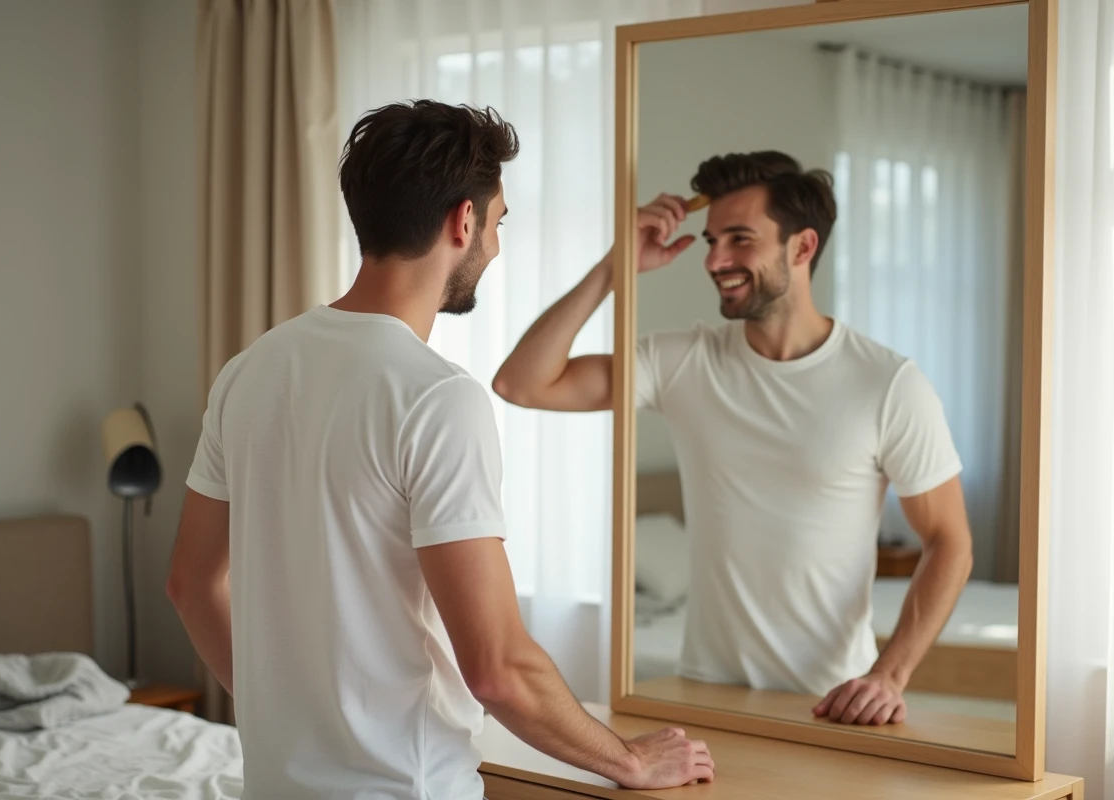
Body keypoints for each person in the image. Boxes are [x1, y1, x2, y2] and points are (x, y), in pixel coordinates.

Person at [166, 100, 714, 799]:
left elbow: (189, 584)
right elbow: (498, 668)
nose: (496, 246)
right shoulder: (437, 397)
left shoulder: (249, 372)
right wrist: (630, 761)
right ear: (464, 221)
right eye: (499, 223)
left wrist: (286, 713)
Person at [491, 151, 975, 727]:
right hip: (704, 695)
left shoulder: (888, 384)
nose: (715, 260)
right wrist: (614, 266)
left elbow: (949, 541)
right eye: (711, 240)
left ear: (802, 247)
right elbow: (521, 383)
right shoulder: (683, 362)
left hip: (833, 702)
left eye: (740, 239)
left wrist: (890, 675)